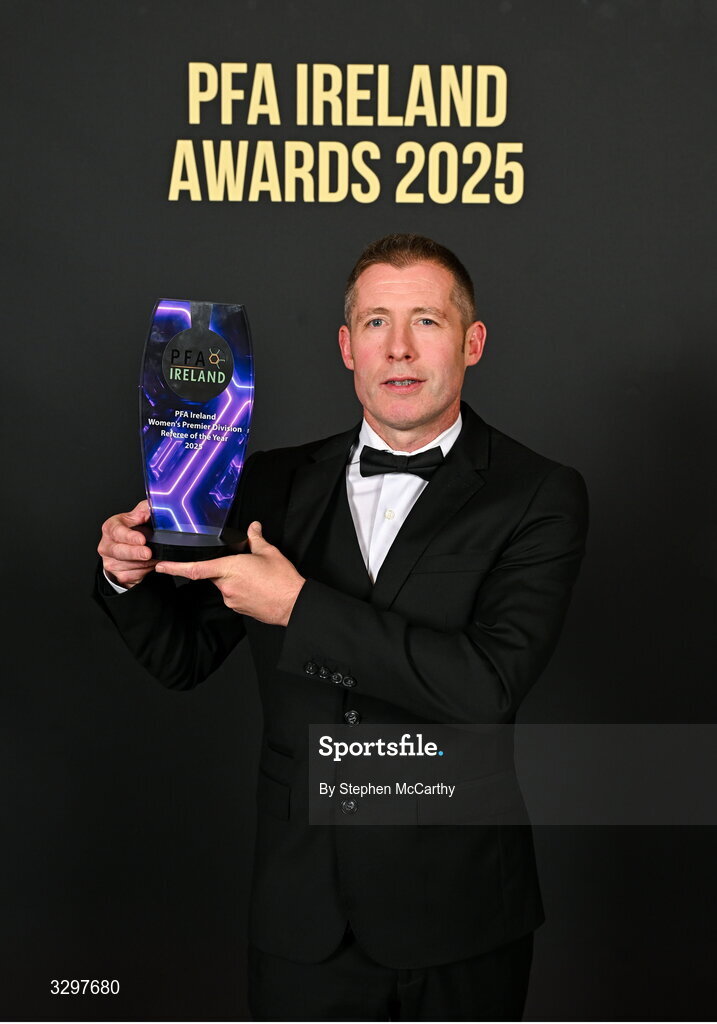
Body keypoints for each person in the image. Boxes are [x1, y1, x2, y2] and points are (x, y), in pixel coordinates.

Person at [95, 234, 588, 1021]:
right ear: (345, 346)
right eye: (374, 323)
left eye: (425, 321)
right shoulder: (265, 482)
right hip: (302, 911)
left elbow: (483, 686)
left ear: (472, 342)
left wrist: (298, 608)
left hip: (459, 911)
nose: (398, 348)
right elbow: (184, 657)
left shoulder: (539, 495)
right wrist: (126, 574)